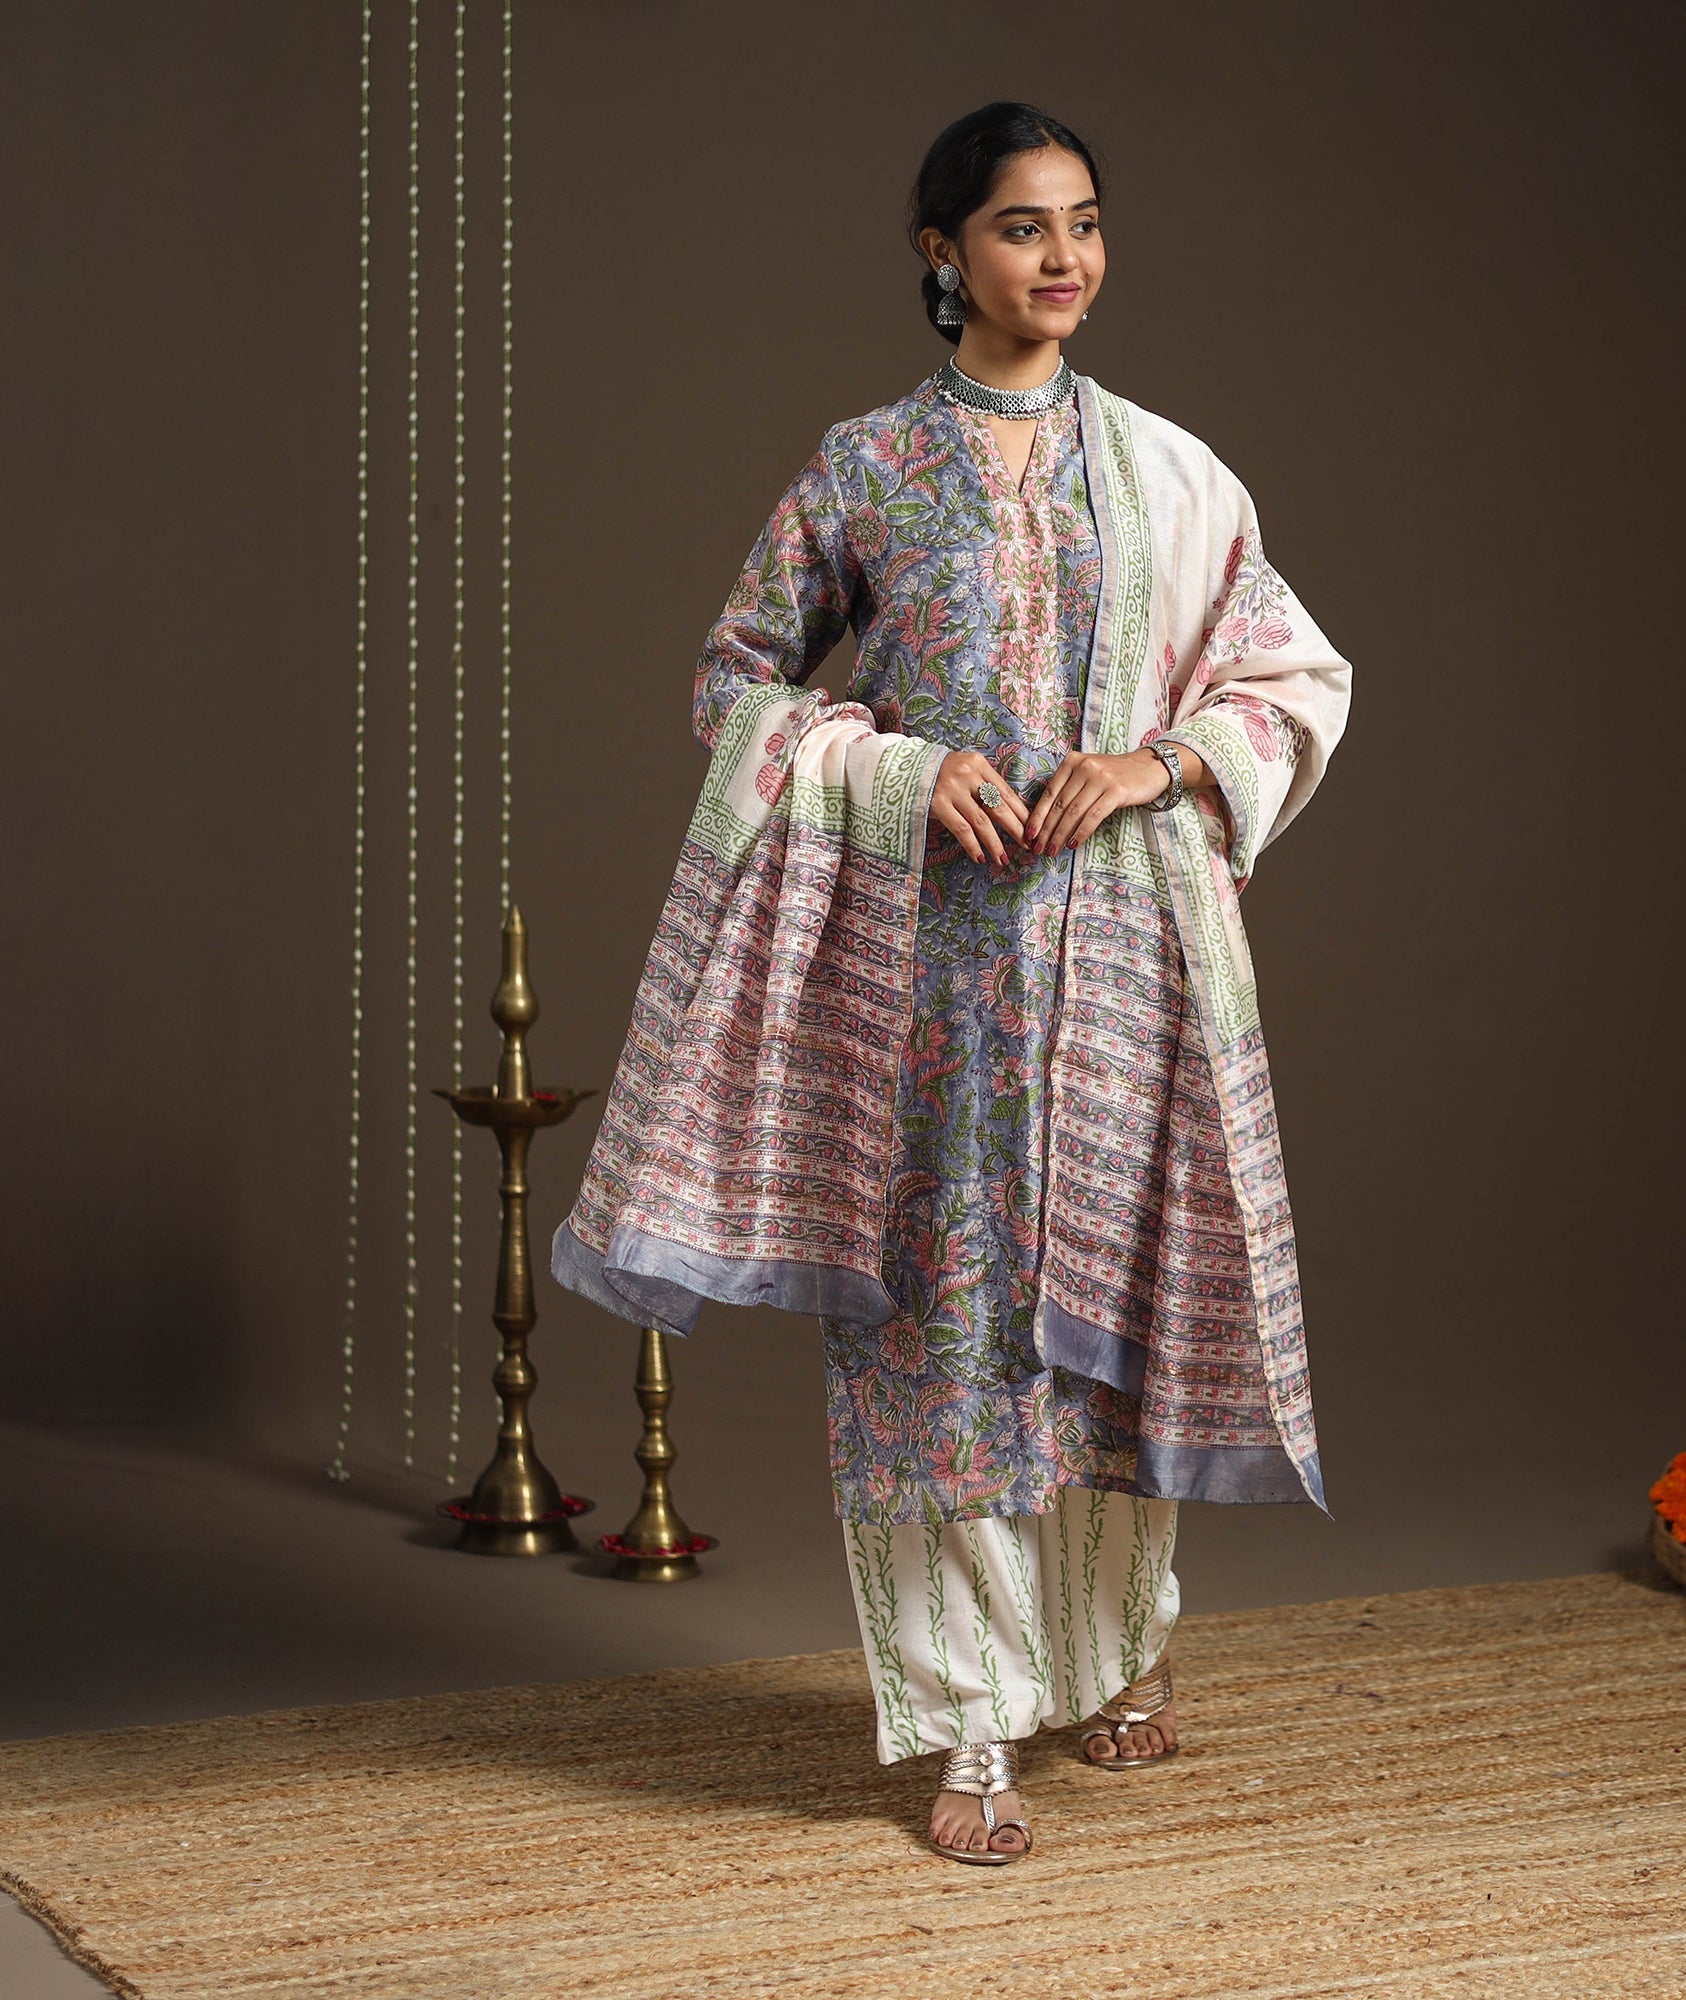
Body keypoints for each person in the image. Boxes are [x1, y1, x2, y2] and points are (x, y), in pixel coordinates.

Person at [552, 101, 1353, 1865]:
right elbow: (737, 681)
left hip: (1131, 962)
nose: (1063, 258)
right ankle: (971, 1722)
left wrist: (1156, 763)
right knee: (946, 1337)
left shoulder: (1169, 471)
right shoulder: (864, 467)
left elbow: (1292, 675)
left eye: (1084, 223)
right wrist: (897, 771)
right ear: (943, 252)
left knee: (1115, 1318)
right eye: (1020, 227)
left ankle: (1120, 1650)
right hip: (935, 983)